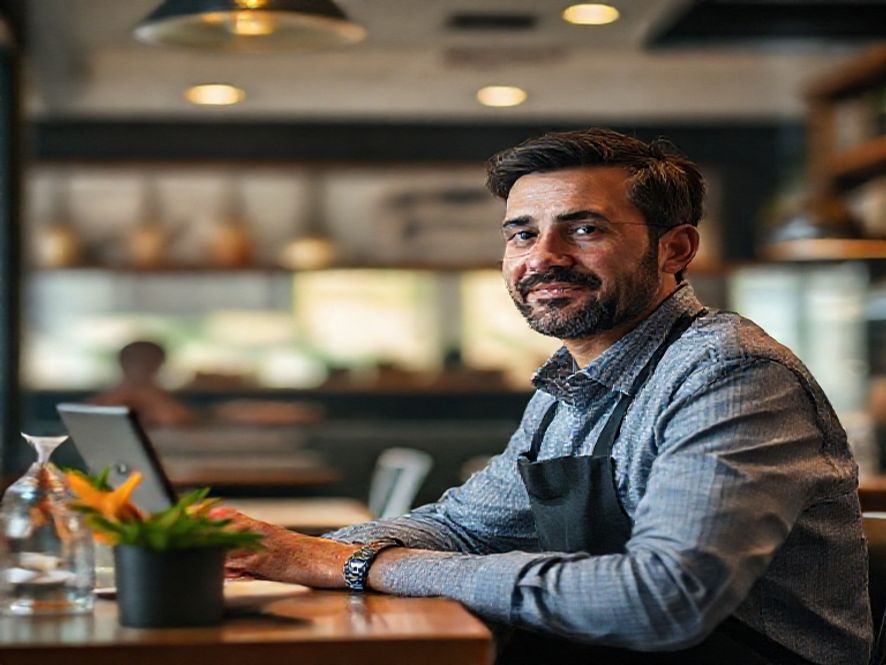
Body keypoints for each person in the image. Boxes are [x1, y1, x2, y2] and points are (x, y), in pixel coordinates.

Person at [218, 129, 872, 664]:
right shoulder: (567, 382)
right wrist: (277, 553)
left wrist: (355, 565)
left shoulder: (731, 373)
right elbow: (463, 526)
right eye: (522, 234)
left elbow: (664, 599)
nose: (543, 257)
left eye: (584, 229)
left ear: (675, 249)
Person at [91, 340, 197, 428]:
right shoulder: (107, 399)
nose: (140, 368)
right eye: (132, 361)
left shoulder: (169, 404)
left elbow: (178, 423)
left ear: (158, 364)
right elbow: (91, 420)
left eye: (148, 362)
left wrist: (149, 398)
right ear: (122, 363)